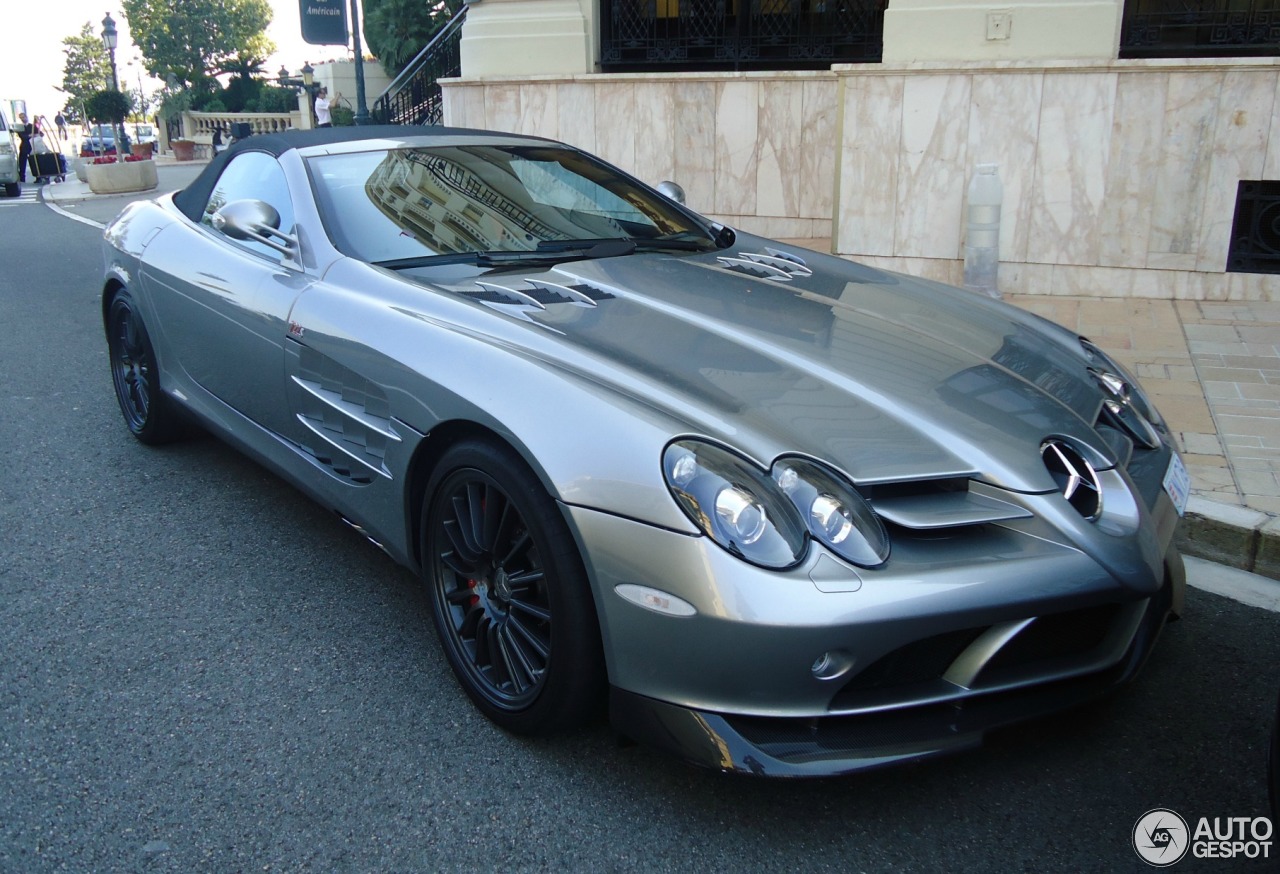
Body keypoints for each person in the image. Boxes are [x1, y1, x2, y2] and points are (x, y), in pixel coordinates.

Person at [15, 113, 33, 183]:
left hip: (32, 146)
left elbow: (40, 134)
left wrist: (31, 135)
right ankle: (22, 177)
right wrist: (30, 135)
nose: (22, 119)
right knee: (22, 162)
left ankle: (38, 177)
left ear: (26, 117)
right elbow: (23, 136)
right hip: (24, 146)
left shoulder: (32, 126)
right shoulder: (20, 127)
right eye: (21, 118)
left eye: (23, 117)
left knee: (35, 161)